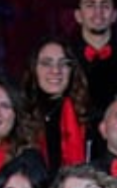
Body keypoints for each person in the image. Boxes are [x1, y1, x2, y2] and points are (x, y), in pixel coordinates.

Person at [22, 36, 90, 171]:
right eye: (46, 63)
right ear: (33, 68)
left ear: (72, 70)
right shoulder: (20, 113)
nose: (55, 71)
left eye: (64, 63)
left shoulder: (88, 116)